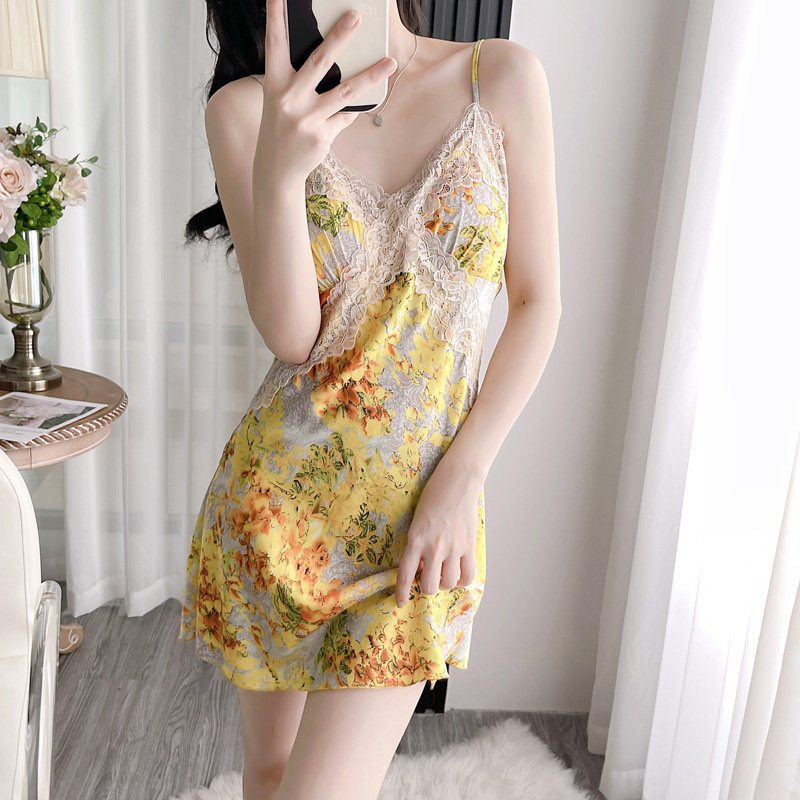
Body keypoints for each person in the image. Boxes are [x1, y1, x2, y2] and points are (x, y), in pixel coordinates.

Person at [181, 1, 561, 798]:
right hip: (276, 513)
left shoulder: (501, 78)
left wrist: (465, 476)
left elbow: (537, 303)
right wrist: (281, 172)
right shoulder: (245, 110)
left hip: (421, 526)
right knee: (272, 775)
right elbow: (293, 335)